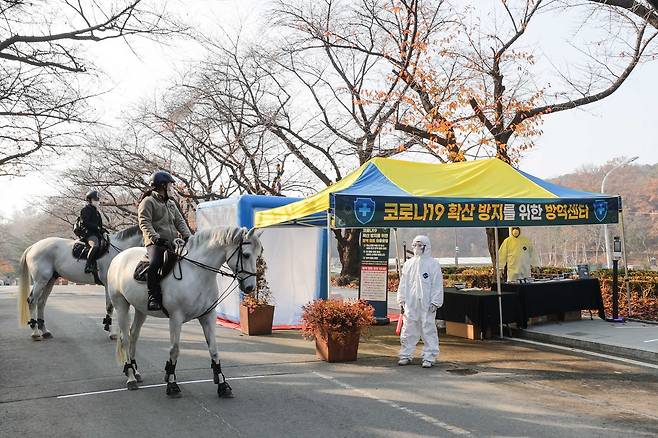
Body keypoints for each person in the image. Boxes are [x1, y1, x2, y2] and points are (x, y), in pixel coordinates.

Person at [138, 171, 192, 311]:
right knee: (155, 263)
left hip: (172, 241)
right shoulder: (148, 201)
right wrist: (156, 238)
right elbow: (144, 222)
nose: (171, 187)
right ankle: (153, 296)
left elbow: (179, 221)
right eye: (170, 184)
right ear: (162, 185)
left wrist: (188, 236)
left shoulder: (171, 203)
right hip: (155, 242)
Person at [397, 235, 444, 368]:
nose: (417, 248)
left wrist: (436, 301)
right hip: (411, 302)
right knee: (408, 328)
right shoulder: (408, 264)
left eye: (419, 245)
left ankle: (429, 356)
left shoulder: (433, 264)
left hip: (427, 303)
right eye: (415, 245)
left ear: (426, 247)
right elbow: (403, 283)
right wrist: (401, 299)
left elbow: (437, 284)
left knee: (428, 328)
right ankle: (405, 354)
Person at [80, 190, 104, 274]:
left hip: (96, 234)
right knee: (95, 246)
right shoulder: (85, 209)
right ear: (89, 200)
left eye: (97, 199)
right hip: (88, 234)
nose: (97, 200)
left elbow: (100, 225)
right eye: (95, 199)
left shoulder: (97, 212)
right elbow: (85, 222)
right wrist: (96, 227)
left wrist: (102, 230)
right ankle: (88, 266)